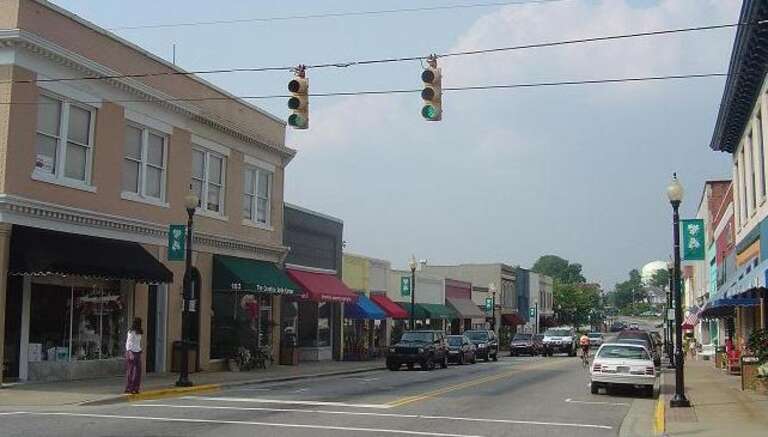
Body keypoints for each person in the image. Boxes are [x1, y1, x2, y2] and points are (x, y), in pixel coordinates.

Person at [124, 317, 143, 394]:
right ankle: (129, 387)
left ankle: (136, 387)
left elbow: (137, 343)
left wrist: (140, 349)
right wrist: (130, 352)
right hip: (131, 352)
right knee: (131, 371)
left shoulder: (139, 332)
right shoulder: (131, 332)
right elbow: (129, 342)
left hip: (137, 352)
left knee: (138, 371)